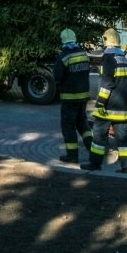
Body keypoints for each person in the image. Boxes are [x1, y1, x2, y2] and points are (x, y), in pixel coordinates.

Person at [83, 27, 127, 174]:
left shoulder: (108, 59)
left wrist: (100, 104)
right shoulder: (122, 58)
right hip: (122, 108)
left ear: (105, 41)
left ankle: (94, 164)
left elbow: (107, 85)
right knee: (123, 139)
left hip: (107, 108)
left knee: (99, 137)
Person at [52, 29, 92, 163]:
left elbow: (57, 76)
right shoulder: (83, 54)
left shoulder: (64, 57)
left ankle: (72, 155)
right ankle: (93, 150)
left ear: (62, 41)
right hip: (83, 97)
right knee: (82, 123)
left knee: (68, 126)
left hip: (69, 98)